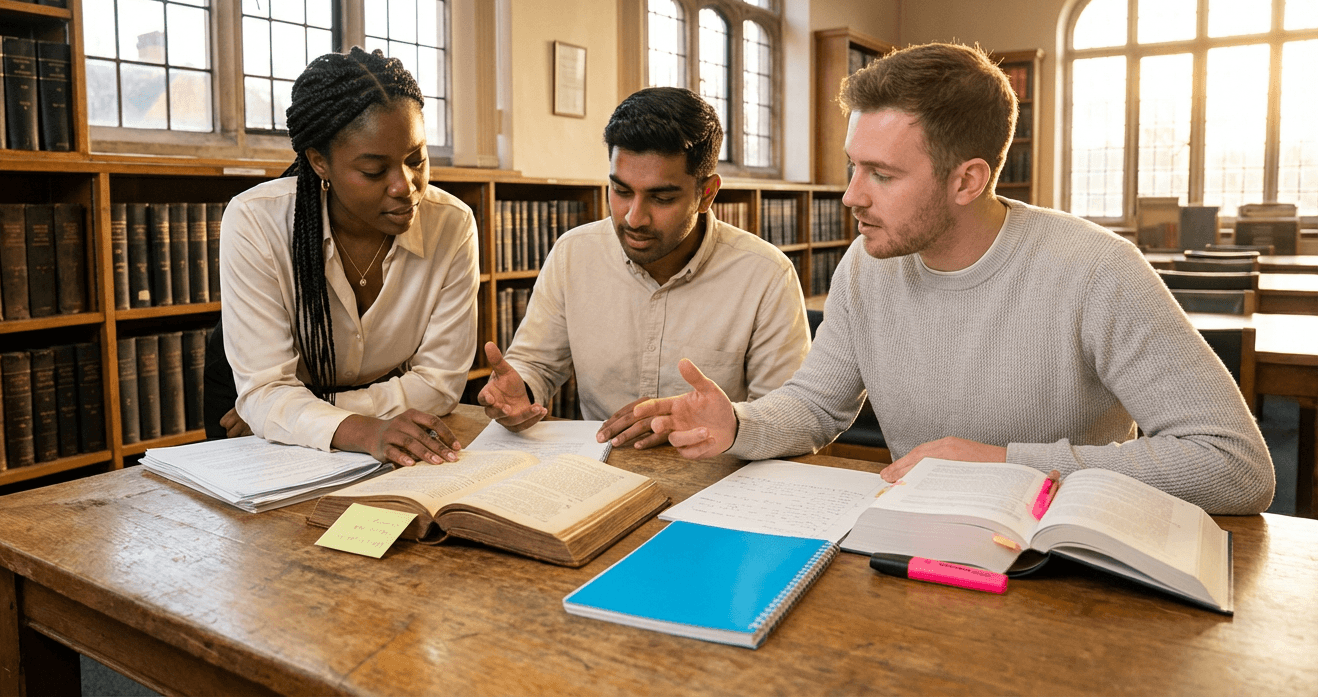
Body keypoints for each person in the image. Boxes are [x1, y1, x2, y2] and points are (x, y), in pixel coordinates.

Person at [634, 42, 1275, 515]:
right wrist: (737, 424)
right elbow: (816, 405)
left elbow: (1235, 465)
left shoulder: (1097, 270)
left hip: (1062, 558)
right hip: (917, 542)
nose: (851, 195)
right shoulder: (866, 265)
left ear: (967, 180)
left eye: (882, 175)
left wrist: (1008, 465)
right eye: (853, 166)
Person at [477, 86, 811, 448]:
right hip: (600, 462)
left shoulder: (766, 275)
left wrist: (721, 423)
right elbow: (536, 364)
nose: (634, 218)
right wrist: (521, 391)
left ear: (707, 194)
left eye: (661, 198)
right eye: (621, 191)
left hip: (716, 469)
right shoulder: (573, 254)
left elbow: (789, 417)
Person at [208, 47, 477, 467]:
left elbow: (440, 385)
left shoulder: (452, 225)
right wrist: (277, 410)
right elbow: (264, 391)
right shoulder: (255, 220)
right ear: (319, 162)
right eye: (374, 171)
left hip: (372, 422)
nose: (405, 186)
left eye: (416, 160)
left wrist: (295, 413)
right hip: (245, 412)